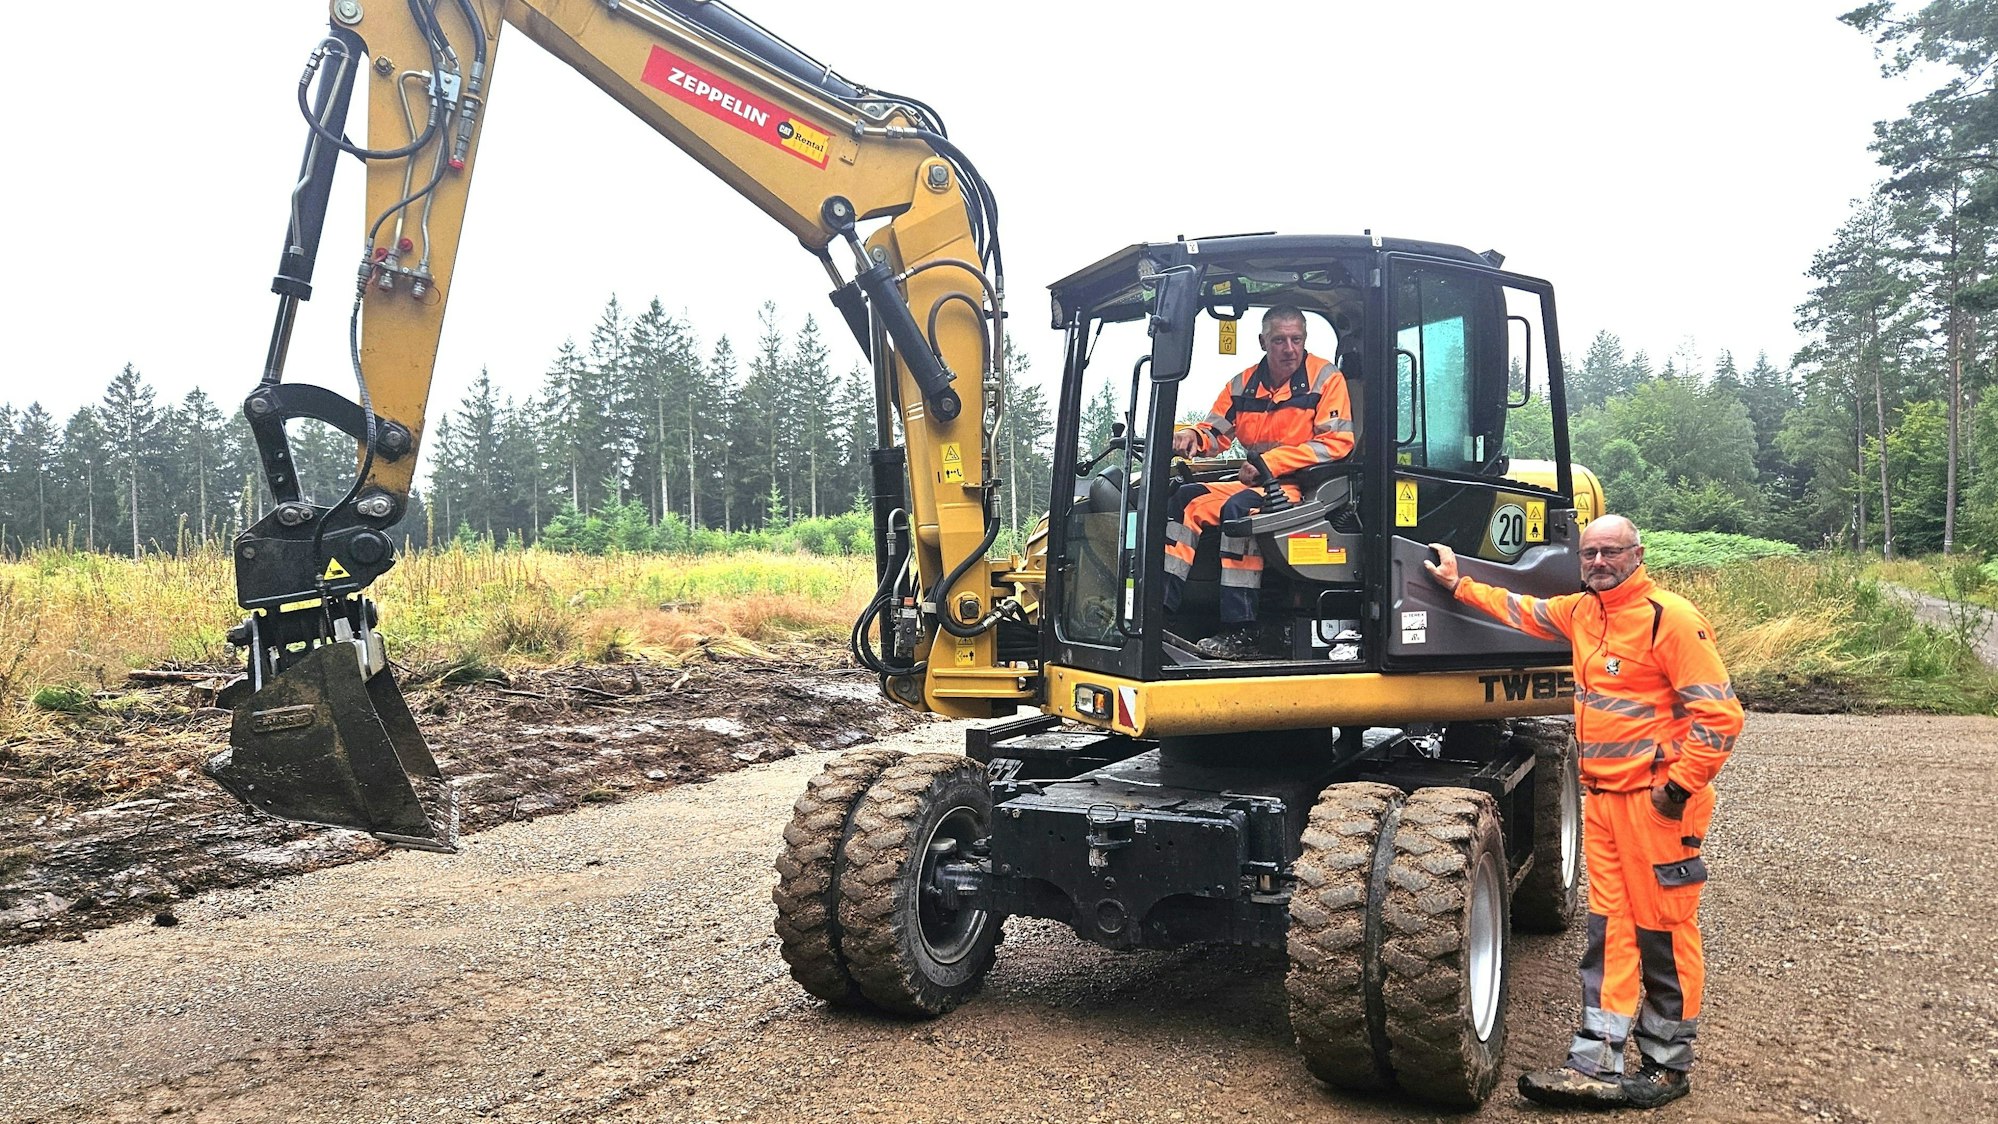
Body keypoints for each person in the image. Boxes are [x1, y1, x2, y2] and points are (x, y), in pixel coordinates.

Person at [1423, 514, 1742, 1111]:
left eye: (1611, 552)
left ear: (1637, 555)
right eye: (1590, 553)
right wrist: (1458, 582)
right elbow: (1519, 610)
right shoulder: (1581, 613)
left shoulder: (1668, 619)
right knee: (1609, 931)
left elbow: (1722, 717)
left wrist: (1676, 789)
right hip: (1603, 800)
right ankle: (1597, 1060)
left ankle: (1667, 1069)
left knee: (1663, 933)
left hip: (1656, 807)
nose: (1599, 562)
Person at [1164, 305, 1353, 658]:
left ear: (1305, 340)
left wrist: (1270, 464)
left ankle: (1242, 630)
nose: (1289, 348)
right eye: (1279, 340)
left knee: (1241, 510)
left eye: (1296, 340)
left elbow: (1337, 443)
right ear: (1262, 342)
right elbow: (1215, 432)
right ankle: (1162, 612)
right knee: (1186, 499)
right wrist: (1192, 435)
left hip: (1304, 487)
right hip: (1257, 482)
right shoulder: (1243, 385)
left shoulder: (1326, 379)